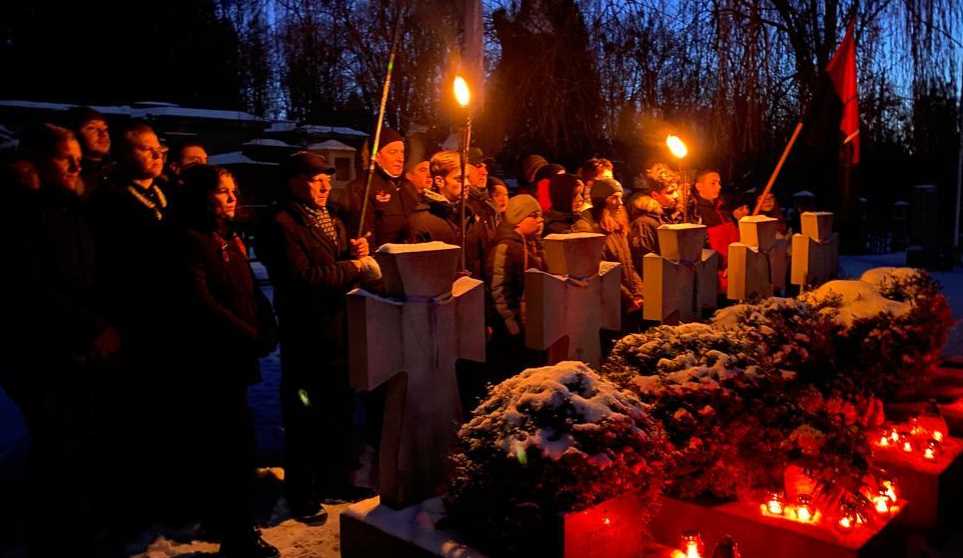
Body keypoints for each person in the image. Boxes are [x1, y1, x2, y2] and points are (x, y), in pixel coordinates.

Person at [5, 124, 120, 556]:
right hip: (48, 353)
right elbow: (35, 287)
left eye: (76, 156)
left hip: (86, 347)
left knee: (84, 445)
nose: (75, 164)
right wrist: (91, 327)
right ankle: (58, 537)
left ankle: (85, 528)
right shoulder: (25, 214)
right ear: (36, 162)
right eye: (63, 157)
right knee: (58, 450)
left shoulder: (74, 209)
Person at [258, 152, 381, 521]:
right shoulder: (281, 224)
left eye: (328, 178)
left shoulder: (334, 222)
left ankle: (336, 478)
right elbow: (303, 279)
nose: (326, 186)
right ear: (294, 181)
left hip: (339, 333)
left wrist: (356, 253)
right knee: (305, 418)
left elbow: (341, 269)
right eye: (316, 179)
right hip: (306, 338)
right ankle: (302, 493)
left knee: (339, 413)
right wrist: (353, 266)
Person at [171, 164, 279, 558]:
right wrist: (249, 337)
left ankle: (230, 520)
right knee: (228, 448)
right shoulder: (189, 241)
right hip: (212, 362)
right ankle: (237, 534)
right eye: (222, 191)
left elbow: (250, 289)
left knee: (237, 444)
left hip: (236, 360)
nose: (233, 198)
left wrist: (267, 325)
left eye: (234, 190)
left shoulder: (229, 239)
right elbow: (201, 302)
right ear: (201, 197)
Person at [487, 194, 545, 378]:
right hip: (513, 331)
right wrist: (512, 325)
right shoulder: (506, 247)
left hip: (529, 326)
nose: (539, 220)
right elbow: (499, 289)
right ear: (518, 219)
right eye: (534, 216)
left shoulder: (530, 244)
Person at [574, 178, 644, 321]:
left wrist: (639, 292)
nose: (620, 203)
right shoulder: (593, 231)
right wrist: (628, 298)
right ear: (601, 202)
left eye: (621, 197)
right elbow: (602, 270)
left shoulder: (618, 228)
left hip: (628, 303)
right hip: (610, 305)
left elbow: (629, 265)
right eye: (614, 198)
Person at [335, 128, 417, 247]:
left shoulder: (407, 186)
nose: (400, 158)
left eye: (402, 152)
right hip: (382, 260)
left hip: (409, 258)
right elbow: (361, 235)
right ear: (377, 156)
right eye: (393, 152)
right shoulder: (361, 188)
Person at [692, 169, 739, 291]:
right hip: (713, 276)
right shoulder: (695, 213)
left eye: (719, 183)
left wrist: (735, 262)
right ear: (699, 186)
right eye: (713, 183)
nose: (719, 186)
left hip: (733, 270)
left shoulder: (723, 210)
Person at [408, 150, 465, 245]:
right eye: (459, 179)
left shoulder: (468, 213)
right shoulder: (422, 219)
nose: (467, 184)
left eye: (468, 177)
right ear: (439, 181)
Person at [63, 106, 113, 196]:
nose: (103, 134)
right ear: (74, 133)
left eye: (105, 128)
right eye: (92, 128)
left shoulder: (119, 171)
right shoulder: (70, 174)